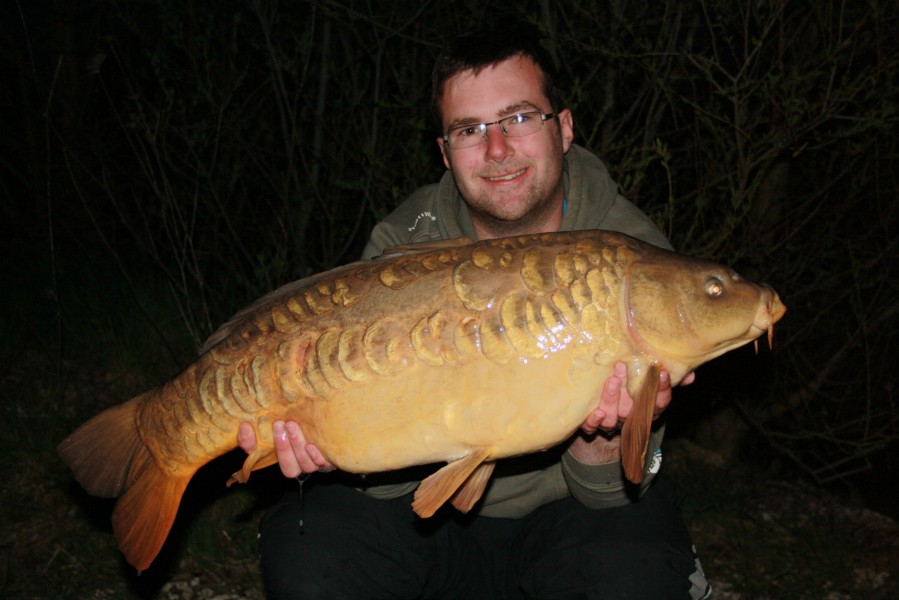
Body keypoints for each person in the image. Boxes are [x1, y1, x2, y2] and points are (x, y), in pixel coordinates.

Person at [238, 28, 711, 599]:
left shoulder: (632, 255)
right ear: (444, 151)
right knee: (313, 543)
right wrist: (334, 447)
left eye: (518, 118)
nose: (497, 150)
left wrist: (605, 433)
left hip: (567, 519)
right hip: (428, 522)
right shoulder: (401, 248)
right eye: (470, 130)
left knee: (637, 571)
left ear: (563, 128)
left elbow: (610, 493)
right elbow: (386, 493)